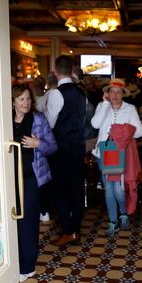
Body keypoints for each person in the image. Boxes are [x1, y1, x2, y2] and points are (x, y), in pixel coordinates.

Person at [12, 85, 57, 281]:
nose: (26, 103)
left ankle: (27, 265)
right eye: (21, 99)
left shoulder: (38, 119)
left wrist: (38, 144)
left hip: (31, 177)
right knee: (13, 220)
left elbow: (53, 147)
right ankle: (13, 262)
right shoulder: (4, 119)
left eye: (28, 99)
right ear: (13, 102)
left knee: (27, 221)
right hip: (10, 176)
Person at [91, 78, 142, 236]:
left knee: (120, 191)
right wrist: (105, 105)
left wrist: (120, 131)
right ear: (107, 93)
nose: (115, 94)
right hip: (104, 152)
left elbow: (139, 132)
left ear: (123, 94)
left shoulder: (130, 109)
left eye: (118, 91)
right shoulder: (102, 106)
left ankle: (124, 213)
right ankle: (113, 222)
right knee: (109, 190)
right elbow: (95, 124)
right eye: (112, 91)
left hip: (122, 154)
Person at [49, 55, 87, 246]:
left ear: (55, 71)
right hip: (78, 147)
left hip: (61, 148)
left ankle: (68, 230)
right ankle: (76, 230)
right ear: (71, 70)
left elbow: (51, 123)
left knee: (58, 191)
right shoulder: (81, 93)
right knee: (76, 189)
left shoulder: (56, 93)